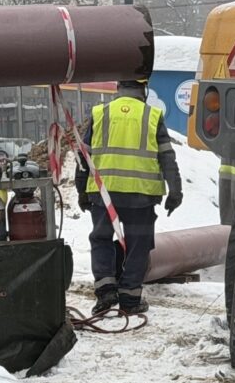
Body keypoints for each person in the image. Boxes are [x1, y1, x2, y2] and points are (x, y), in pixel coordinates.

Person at [75, 80, 183, 315]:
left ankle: (105, 293)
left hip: (104, 193)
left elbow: (84, 155)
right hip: (140, 194)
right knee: (138, 246)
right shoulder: (152, 115)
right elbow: (167, 157)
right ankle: (130, 299)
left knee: (102, 240)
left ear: (118, 90)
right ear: (143, 91)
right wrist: (175, 191)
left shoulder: (101, 112)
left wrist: (82, 189)